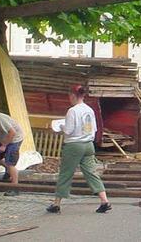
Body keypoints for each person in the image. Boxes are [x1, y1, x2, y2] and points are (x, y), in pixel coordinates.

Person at [46, 85, 111, 214]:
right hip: (88, 144)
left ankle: (56, 204)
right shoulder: (89, 110)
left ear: (74, 96)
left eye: (70, 96)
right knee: (91, 173)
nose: (69, 98)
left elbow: (69, 130)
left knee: (66, 174)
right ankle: (104, 200)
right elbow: (94, 129)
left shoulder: (73, 111)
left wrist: (60, 126)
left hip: (74, 146)